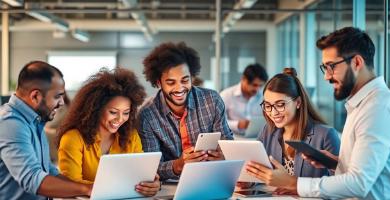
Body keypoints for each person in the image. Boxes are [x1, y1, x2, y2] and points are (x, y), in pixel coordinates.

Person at [246, 27, 390, 199]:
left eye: (331, 67)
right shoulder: (362, 105)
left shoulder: (378, 109)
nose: (326, 76)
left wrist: (293, 183)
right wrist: (335, 162)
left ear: (357, 63)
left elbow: (359, 183)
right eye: (324, 68)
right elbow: (367, 171)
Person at [57, 68, 160, 196]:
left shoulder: (131, 137)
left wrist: (152, 184)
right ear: (96, 109)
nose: (120, 119)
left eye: (126, 113)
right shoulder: (73, 138)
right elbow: (70, 183)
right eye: (113, 112)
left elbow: (141, 175)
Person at [138, 42, 233, 180]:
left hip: (212, 177)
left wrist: (224, 156)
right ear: (159, 83)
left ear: (192, 77)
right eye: (171, 82)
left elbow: (228, 144)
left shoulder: (212, 100)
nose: (180, 88)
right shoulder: (147, 115)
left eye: (185, 80)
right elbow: (151, 167)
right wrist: (178, 165)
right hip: (171, 186)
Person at [0, 61, 91, 199]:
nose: (61, 103)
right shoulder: (10, 123)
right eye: (57, 96)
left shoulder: (35, 120)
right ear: (35, 96)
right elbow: (32, 179)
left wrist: (89, 189)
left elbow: (49, 171)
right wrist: (86, 189)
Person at [244, 67, 340, 194]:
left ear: (298, 102)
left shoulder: (325, 135)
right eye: (268, 106)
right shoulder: (268, 131)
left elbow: (341, 186)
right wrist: (248, 180)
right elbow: (258, 171)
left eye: (280, 105)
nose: (273, 113)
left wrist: (297, 188)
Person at [220, 63, 268, 135]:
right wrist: (238, 124)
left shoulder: (264, 96)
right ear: (243, 79)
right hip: (233, 139)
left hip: (257, 140)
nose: (257, 89)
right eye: (254, 85)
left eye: (260, 85)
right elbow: (219, 122)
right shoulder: (226, 95)